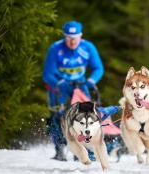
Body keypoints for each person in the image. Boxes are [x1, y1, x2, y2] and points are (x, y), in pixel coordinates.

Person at [43, 21, 104, 161]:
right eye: (69, 38)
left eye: (75, 37)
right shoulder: (55, 49)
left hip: (81, 84)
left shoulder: (88, 47)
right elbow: (47, 74)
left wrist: (91, 80)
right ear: (64, 36)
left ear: (81, 36)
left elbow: (98, 68)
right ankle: (59, 149)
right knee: (57, 115)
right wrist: (58, 83)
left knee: (86, 115)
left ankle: (85, 149)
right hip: (60, 86)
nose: (72, 41)